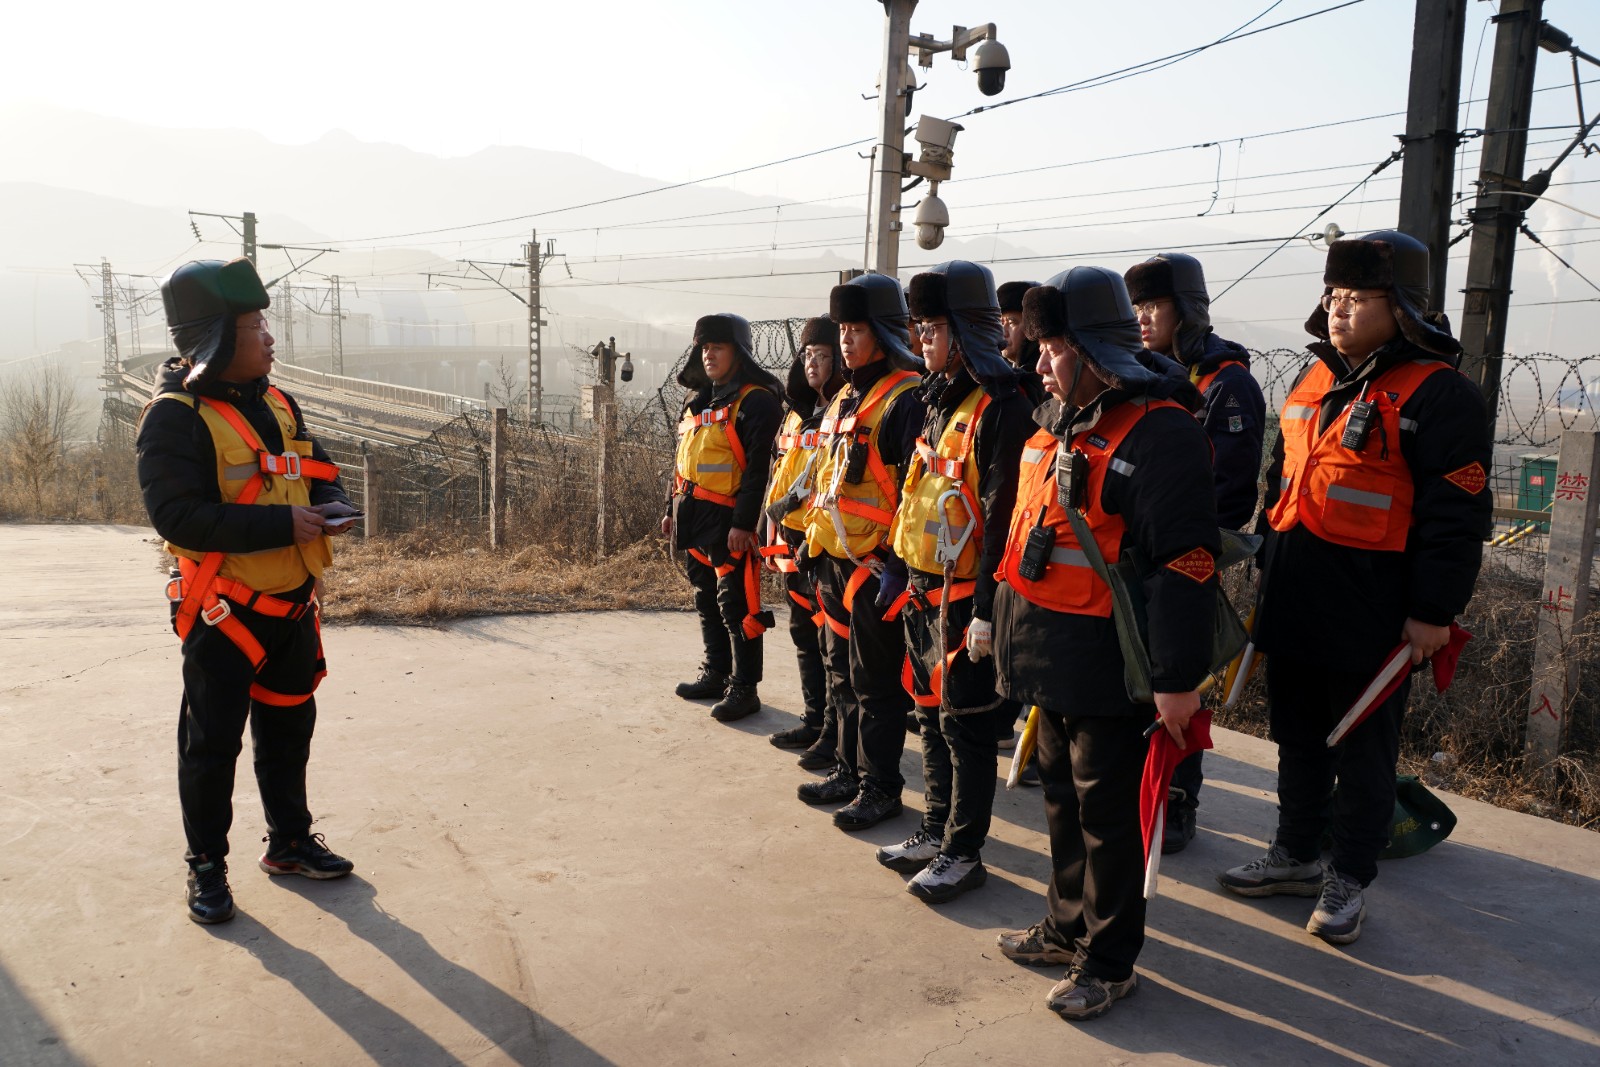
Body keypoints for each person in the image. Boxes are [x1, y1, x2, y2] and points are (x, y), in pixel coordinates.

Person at [1218, 230, 1491, 945]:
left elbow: (1457, 518)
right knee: (1297, 735)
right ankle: (1295, 853)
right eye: (1333, 295)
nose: (1338, 309)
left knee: (1364, 747)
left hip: (1374, 609)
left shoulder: (1442, 394)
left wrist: (1433, 611)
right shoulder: (1314, 378)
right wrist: (1266, 560)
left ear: (1402, 307)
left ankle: (1348, 877)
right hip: (1294, 591)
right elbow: (1281, 477)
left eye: (1358, 297)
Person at [991, 266, 1219, 1021]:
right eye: (1040, 345)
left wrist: (1177, 679)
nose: (1039, 361)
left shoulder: (1161, 433)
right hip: (1052, 654)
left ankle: (1110, 960)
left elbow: (1186, 564)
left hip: (1113, 664)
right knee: (1061, 800)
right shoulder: (1055, 421)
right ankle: (1065, 927)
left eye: (1054, 347)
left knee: (1109, 817)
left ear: (1093, 349)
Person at [137, 257, 359, 925]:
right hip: (224, 613)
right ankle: (206, 867)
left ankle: (289, 842)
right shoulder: (173, 418)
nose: (269, 338)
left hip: (291, 606)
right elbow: (176, 517)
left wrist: (335, 501)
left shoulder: (277, 402)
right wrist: (282, 525)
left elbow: (317, 466)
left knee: (289, 730)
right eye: (254, 326)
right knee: (212, 747)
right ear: (212, 339)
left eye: (265, 323)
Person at [874, 261, 1032, 903]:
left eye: (933, 328)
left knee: (967, 730)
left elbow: (1001, 520)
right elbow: (915, 493)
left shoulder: (1002, 408)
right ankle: (934, 829)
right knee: (930, 718)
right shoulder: (935, 400)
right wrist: (896, 568)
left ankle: (964, 853)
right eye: (918, 327)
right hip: (922, 592)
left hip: (966, 602)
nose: (921, 339)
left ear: (965, 333)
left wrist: (988, 611)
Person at [1124, 252, 1267, 854]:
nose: (1143, 318)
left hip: (1189, 558)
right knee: (1135, 679)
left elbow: (1231, 491)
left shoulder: (1227, 385)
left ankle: (1179, 799)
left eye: (1155, 305)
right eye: (1136, 307)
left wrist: (1178, 534)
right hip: (1131, 558)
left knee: (1182, 680)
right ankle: (1136, 789)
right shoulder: (1133, 373)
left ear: (1187, 310)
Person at [796, 273, 925, 831]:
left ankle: (881, 787)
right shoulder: (845, 398)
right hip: (833, 561)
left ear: (885, 332)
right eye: (843, 329)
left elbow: (914, 492)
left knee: (876, 685)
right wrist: (810, 540)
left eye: (857, 329)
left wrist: (896, 565)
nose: (846, 340)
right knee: (840, 674)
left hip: (875, 570)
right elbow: (824, 479)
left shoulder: (906, 398)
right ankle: (848, 771)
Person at [665, 314, 784, 722]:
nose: (709, 354)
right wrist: (669, 510)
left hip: (729, 522)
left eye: (718, 347)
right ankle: (716, 673)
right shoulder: (696, 401)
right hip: (693, 518)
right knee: (705, 598)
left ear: (739, 353)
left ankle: (744, 688)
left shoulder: (757, 402)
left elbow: (759, 472)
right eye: (704, 347)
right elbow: (681, 461)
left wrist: (744, 525)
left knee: (739, 606)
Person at [762, 316, 846, 764]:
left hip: (824, 544)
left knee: (830, 642)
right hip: (790, 542)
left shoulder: (842, 412)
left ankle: (833, 734)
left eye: (823, 356)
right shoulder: (794, 412)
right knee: (802, 632)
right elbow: (777, 472)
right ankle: (814, 720)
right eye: (808, 355)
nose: (813, 363)